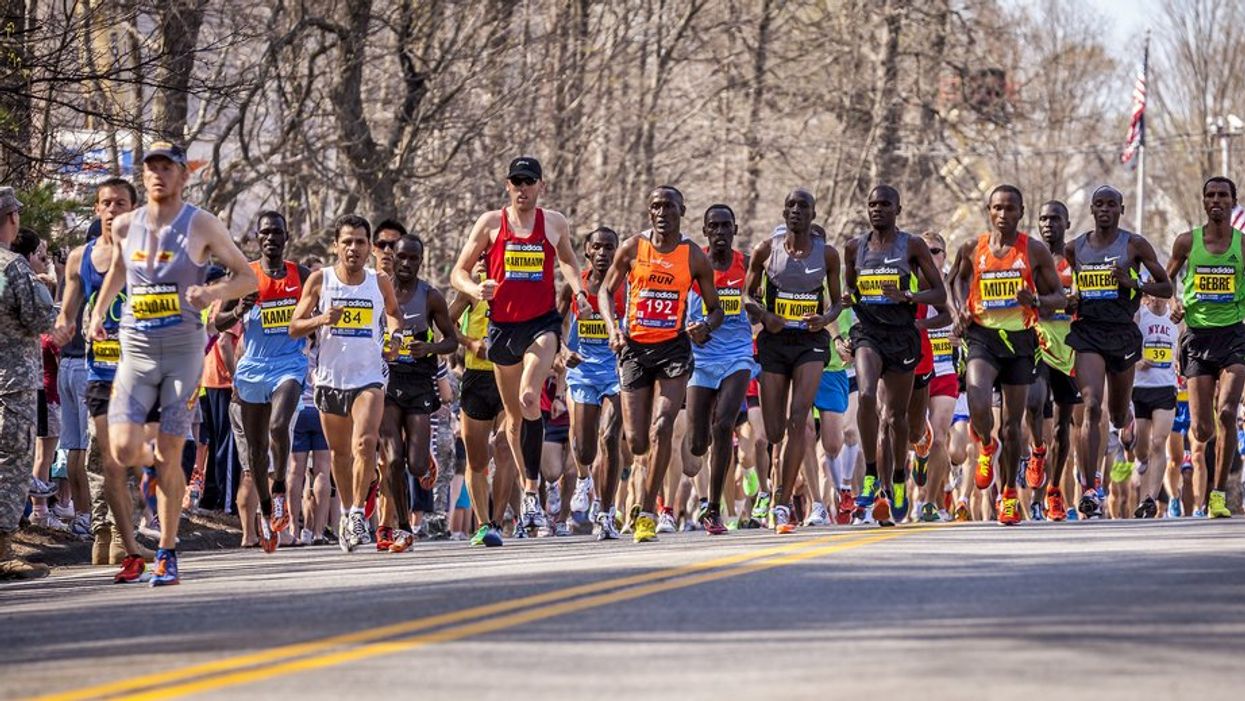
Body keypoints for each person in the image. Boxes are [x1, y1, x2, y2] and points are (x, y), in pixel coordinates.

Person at [86, 143, 258, 585]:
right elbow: (119, 272)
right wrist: (98, 313)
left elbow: (247, 277)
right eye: (151, 169)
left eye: (167, 168)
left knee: (171, 452)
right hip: (137, 353)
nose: (158, 175)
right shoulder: (126, 225)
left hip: (182, 353)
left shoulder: (200, 223)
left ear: (183, 175)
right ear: (143, 177)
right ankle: (149, 471)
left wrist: (213, 294)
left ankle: (166, 550)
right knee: (122, 450)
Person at [450, 157, 590, 534]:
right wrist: (475, 288)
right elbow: (457, 271)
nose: (522, 189)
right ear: (508, 185)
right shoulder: (491, 223)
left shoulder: (554, 222)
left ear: (541, 186)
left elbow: (570, 263)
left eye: (529, 182)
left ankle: (530, 491)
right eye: (516, 182)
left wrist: (580, 293)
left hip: (541, 324)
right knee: (514, 421)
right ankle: (530, 494)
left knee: (531, 396)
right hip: (503, 327)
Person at [598, 185, 723, 542]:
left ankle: (648, 513)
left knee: (663, 426)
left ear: (682, 210)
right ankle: (621, 506)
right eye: (655, 206)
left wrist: (704, 327)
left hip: (673, 350)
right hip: (635, 349)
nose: (662, 212)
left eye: (669, 206)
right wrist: (613, 329)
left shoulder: (692, 256)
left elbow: (716, 310)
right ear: (648, 211)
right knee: (636, 442)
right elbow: (605, 291)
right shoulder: (634, 248)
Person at [948, 184, 1064, 525]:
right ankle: (986, 444)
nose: (1003, 214)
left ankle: (1009, 496)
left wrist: (1037, 302)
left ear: (1020, 212)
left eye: (1010, 209)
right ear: (989, 210)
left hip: (1020, 342)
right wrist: (959, 312)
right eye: (997, 208)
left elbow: (1059, 296)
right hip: (983, 338)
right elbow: (956, 279)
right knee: (979, 401)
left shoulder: (1034, 252)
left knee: (1014, 427)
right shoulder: (973, 248)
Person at [289, 214, 402, 552]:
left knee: (365, 444)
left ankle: (355, 514)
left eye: (360, 242)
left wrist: (394, 336)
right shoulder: (320, 281)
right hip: (329, 378)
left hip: (369, 377)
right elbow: (295, 326)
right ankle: (346, 512)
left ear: (369, 248)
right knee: (340, 453)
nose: (354, 248)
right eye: (347, 241)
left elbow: (394, 313)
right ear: (335, 245)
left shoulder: (379, 281)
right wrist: (322, 318)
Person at [1065, 186, 1172, 519]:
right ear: (1092, 209)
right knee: (1091, 405)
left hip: (1123, 334)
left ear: (1121, 209)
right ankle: (1091, 489)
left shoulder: (1134, 244)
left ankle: (1127, 425)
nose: (1105, 209)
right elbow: (1073, 287)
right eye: (1099, 204)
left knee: (1116, 413)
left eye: (1112, 204)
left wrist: (1134, 284)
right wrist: (1072, 298)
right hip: (1088, 333)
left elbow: (1166, 287)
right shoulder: (1075, 248)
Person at [843, 186, 945, 526]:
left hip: (902, 335)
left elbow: (939, 294)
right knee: (869, 397)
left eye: (885, 204)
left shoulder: (912, 245)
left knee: (898, 418)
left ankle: (900, 476)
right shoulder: (854, 248)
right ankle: (873, 475)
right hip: (869, 333)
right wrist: (844, 309)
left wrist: (908, 296)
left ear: (898, 208)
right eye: (872, 204)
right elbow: (850, 291)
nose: (877, 209)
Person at [51, 178, 139, 564]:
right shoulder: (79, 258)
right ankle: (106, 535)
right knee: (100, 457)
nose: (112, 209)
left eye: (120, 203)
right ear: (96, 209)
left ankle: (121, 534)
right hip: (99, 369)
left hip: (140, 370)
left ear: (133, 210)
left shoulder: (147, 254)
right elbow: (65, 313)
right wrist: (64, 326)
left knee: (129, 455)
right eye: (105, 202)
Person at [744, 190, 843, 533]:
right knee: (774, 431)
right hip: (774, 342)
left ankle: (782, 504)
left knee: (800, 419)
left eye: (803, 206)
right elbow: (746, 296)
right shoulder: (765, 251)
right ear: (784, 212)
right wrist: (765, 314)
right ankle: (775, 488)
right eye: (791, 206)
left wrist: (825, 318)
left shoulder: (827, 254)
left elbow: (837, 302)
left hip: (810, 342)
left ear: (814, 213)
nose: (797, 211)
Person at [214, 212, 310, 552]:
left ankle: (280, 485)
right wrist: (239, 309)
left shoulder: (302, 274)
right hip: (252, 367)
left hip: (290, 364)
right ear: (257, 237)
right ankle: (268, 507)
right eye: (265, 233)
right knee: (254, 452)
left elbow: (320, 309)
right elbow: (217, 322)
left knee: (279, 425)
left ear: (286, 237)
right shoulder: (245, 275)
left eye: (277, 233)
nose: (271, 238)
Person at [1164, 176, 1245, 519]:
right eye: (1210, 195)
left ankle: (1217, 493)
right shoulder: (1186, 242)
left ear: (1232, 201)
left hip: (1234, 336)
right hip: (1197, 337)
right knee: (1202, 429)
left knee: (1227, 411)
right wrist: (1173, 303)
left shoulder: (1242, 244)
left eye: (1223, 195)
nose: (1216, 200)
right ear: (1203, 201)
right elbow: (1166, 278)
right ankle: (1214, 467)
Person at [377, 235, 457, 552]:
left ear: (421, 261)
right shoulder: (379, 293)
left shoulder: (431, 296)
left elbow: (452, 340)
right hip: (388, 380)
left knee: (415, 465)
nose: (407, 263)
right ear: (392, 258)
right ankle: (404, 528)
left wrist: (431, 347)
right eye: (402, 257)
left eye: (414, 258)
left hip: (420, 382)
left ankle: (426, 462)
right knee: (393, 459)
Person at [685, 204, 758, 535]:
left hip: (738, 354)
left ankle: (713, 509)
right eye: (713, 227)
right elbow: (677, 305)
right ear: (704, 231)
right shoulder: (693, 263)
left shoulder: (745, 265)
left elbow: (757, 301)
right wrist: (689, 327)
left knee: (723, 423)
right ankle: (699, 442)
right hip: (701, 358)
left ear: (735, 230)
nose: (720, 232)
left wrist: (758, 311)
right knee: (698, 445)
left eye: (726, 226)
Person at [0, 187, 58, 580]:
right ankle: (3, 548)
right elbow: (39, 319)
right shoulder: (12, 266)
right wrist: (47, 287)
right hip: (13, 381)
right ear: (12, 219)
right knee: (12, 460)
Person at [560, 227, 626, 540]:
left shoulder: (625, 284)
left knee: (610, 437)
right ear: (587, 251)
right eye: (597, 247)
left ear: (617, 251)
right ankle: (584, 478)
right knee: (584, 449)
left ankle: (606, 512)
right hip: (583, 370)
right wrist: (563, 351)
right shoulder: (576, 286)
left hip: (616, 371)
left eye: (609, 247)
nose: (603, 253)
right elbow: (554, 324)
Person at [1027, 201, 1081, 521]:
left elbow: (1082, 299)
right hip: (1038, 340)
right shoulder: (1029, 258)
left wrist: (1072, 302)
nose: (1049, 224)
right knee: (1034, 402)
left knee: (1063, 424)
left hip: (1069, 346)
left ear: (1067, 223)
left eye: (1055, 219)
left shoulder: (1075, 260)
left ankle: (1055, 490)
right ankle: (1036, 450)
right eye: (1044, 219)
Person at [1132, 291, 1179, 517]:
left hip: (1165, 387)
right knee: (1142, 450)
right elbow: (1125, 344)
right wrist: (1137, 360)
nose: (1158, 299)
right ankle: (1141, 463)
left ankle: (1150, 498)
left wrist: (1182, 366)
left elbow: (1182, 347)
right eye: (1154, 295)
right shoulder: (1139, 316)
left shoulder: (1175, 319)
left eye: (1162, 294)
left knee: (1159, 442)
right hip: (1140, 389)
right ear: (1147, 296)